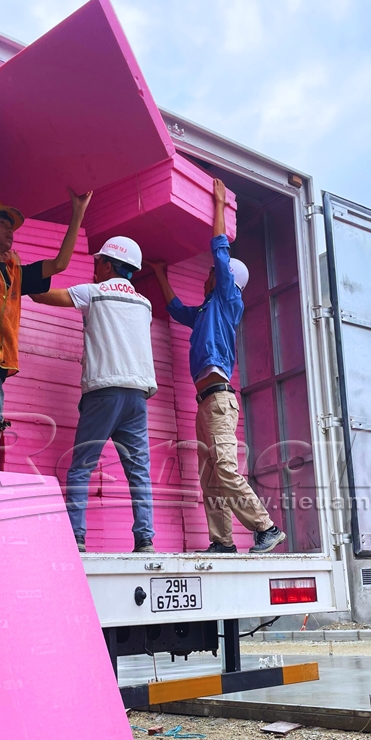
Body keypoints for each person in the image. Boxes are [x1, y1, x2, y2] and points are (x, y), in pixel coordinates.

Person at [147, 179, 286, 554]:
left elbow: (221, 253)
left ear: (227, 281)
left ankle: (266, 527)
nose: (207, 275)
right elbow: (177, 310)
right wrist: (159, 273)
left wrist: (220, 204)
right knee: (209, 475)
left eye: (212, 272)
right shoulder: (207, 312)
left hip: (220, 400)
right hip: (206, 402)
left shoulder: (228, 301)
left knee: (224, 466)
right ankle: (222, 541)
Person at [0, 110, 92, 469]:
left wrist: (77, 214)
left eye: (11, 225)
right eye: (2, 223)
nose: (10, 230)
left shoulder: (15, 274)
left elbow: (59, 265)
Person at [33, 237, 157, 554]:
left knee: (81, 466)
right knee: (139, 471)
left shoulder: (94, 293)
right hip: (137, 396)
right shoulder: (144, 304)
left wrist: (20, 278)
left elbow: (43, 296)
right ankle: (145, 539)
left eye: (98, 261)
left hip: (104, 393)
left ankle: (77, 537)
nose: (94, 267)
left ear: (108, 265)